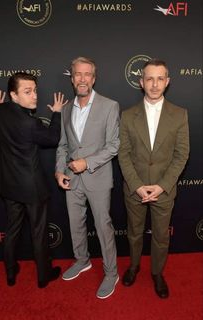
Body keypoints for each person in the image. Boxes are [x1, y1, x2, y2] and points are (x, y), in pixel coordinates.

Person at [0, 72, 67, 288]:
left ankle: (11, 274)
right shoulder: (29, 123)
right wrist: (57, 114)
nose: (34, 96)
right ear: (13, 95)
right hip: (32, 188)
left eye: (35, 91)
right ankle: (43, 276)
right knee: (39, 233)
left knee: (12, 230)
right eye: (27, 92)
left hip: (9, 186)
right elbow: (53, 139)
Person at [118, 59, 190, 298]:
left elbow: (182, 155)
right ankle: (134, 266)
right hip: (134, 189)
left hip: (164, 190)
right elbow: (124, 154)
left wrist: (162, 186)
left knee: (160, 237)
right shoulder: (127, 116)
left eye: (160, 78)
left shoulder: (180, 115)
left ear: (167, 82)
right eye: (150, 78)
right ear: (141, 82)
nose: (155, 84)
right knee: (134, 233)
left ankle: (157, 273)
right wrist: (137, 186)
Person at [55, 57, 120, 299]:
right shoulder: (66, 109)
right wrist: (59, 170)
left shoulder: (109, 106)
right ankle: (82, 260)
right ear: (72, 79)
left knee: (103, 227)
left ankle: (111, 273)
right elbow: (62, 145)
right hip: (72, 177)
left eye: (87, 75)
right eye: (77, 75)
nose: (82, 79)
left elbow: (114, 145)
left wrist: (88, 162)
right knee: (75, 223)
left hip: (97, 177)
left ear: (93, 78)